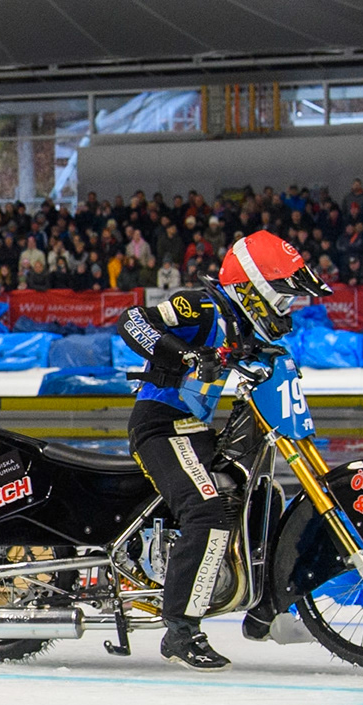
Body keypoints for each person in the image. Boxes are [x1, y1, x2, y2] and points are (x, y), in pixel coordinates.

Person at [119, 230, 330, 670]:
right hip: (159, 427)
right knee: (208, 510)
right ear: (254, 290)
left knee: (266, 498)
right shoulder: (201, 307)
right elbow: (132, 321)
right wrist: (187, 357)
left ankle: (264, 611)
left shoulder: (245, 330)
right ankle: (180, 630)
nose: (286, 311)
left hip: (195, 430)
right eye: (283, 300)